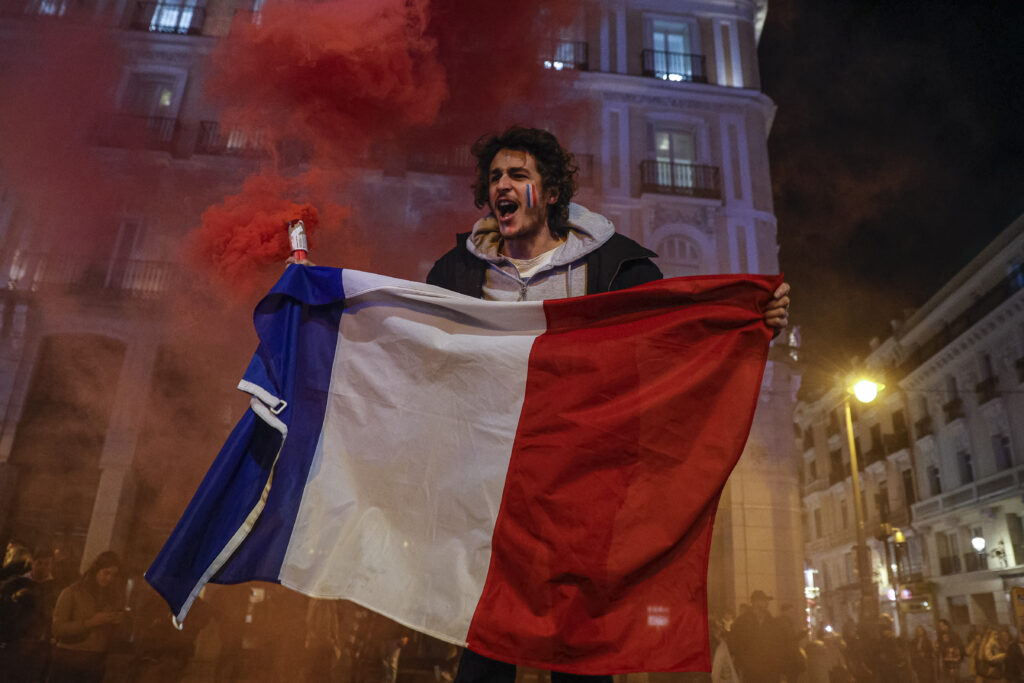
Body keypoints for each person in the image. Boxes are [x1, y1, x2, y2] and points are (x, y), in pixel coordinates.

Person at [425, 126, 790, 682]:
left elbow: (673, 337)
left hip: (583, 493)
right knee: (484, 648)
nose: (502, 185)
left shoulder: (616, 266)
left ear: (550, 192)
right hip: (488, 488)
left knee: (581, 652)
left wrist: (750, 320)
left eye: (518, 174)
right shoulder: (456, 271)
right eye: (495, 176)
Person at [49, 550, 127, 683]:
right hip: (69, 658)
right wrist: (89, 623)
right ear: (96, 570)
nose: (109, 578)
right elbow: (57, 629)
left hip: (96, 661)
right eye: (106, 573)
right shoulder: (72, 592)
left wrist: (119, 621)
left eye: (113, 575)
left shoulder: (112, 598)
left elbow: (116, 636)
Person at [729, 590, 783, 683]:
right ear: (755, 602)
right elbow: (735, 644)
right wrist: (744, 662)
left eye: (766, 601)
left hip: (770, 669)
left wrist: (777, 663)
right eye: (764, 600)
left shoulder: (771, 621)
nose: (767, 603)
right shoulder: (742, 621)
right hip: (751, 670)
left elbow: (778, 643)